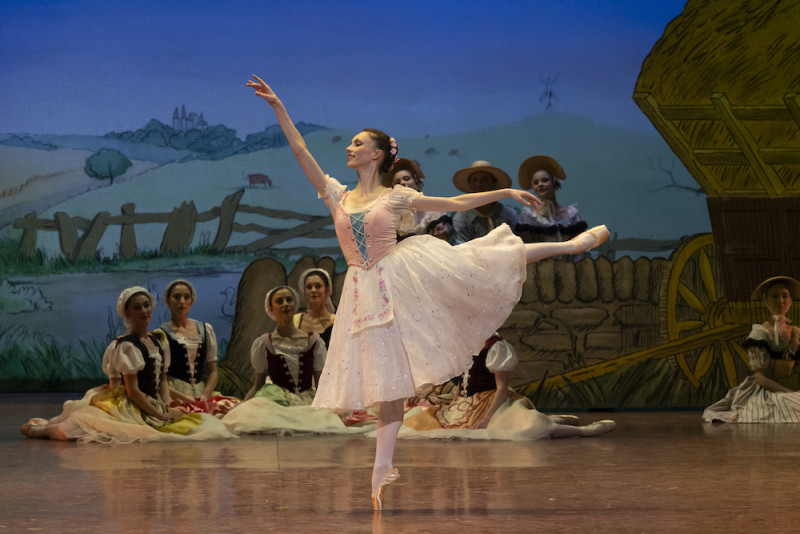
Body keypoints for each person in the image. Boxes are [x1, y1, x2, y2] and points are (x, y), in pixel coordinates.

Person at [247, 74, 609, 510]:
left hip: (400, 276)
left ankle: (570, 244)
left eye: (358, 143)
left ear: (377, 154)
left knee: (481, 258)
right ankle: (382, 470)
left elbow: (454, 205)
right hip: (363, 293)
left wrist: (507, 190)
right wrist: (277, 106)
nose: (349, 148)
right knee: (389, 387)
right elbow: (301, 151)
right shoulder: (337, 196)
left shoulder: (396, 197)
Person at [20, 287, 234, 443]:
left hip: (152, 402)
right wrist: (160, 415)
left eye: (146, 305)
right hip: (132, 403)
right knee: (80, 429)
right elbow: (133, 392)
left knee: (201, 425)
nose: (144, 311)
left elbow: (161, 382)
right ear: (128, 312)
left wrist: (166, 404)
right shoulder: (126, 346)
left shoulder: (158, 341)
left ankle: (47, 424)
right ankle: (41, 430)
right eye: (137, 307)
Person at [400, 334, 615, 439]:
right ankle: (557, 419)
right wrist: (456, 400)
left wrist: (486, 417)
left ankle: (583, 431)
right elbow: (462, 381)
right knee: (424, 421)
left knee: (528, 427)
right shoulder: (465, 344)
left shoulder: (495, 346)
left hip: (488, 400)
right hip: (465, 404)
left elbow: (501, 387)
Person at [703, 276, 800, 423]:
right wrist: (788, 392)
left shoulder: (795, 333)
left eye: (784, 296)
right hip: (767, 389)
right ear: (766, 301)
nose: (780, 301)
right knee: (788, 405)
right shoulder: (760, 333)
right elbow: (761, 378)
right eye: (774, 296)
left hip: (790, 385)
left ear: (790, 300)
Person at [156, 279, 239, 416]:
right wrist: (183, 398)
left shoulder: (205, 329)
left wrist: (205, 395)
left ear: (192, 300)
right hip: (173, 392)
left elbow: (213, 371)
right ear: (167, 300)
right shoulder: (161, 334)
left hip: (202, 392)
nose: (182, 301)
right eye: (176, 297)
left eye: (186, 297)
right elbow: (160, 378)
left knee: (231, 410)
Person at [243, 286, 326, 405]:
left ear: (295, 304)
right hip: (277, 403)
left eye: (289, 299)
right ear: (271, 308)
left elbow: (320, 383)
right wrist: (240, 407)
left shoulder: (314, 342)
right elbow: (258, 385)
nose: (285, 304)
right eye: (279, 301)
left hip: (308, 402)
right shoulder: (264, 344)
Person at [516, 155, 589, 261]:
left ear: (554, 182)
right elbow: (525, 250)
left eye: (544, 180)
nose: (540, 184)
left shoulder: (571, 215)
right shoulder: (528, 218)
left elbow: (582, 247)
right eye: (536, 182)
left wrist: (573, 268)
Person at [451, 160, 519, 244]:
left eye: (485, 180)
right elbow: (461, 250)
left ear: (494, 183)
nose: (479, 184)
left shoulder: (508, 214)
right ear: (470, 185)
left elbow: (515, 246)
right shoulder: (462, 218)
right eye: (475, 180)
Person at [381, 158, 447, 239]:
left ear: (416, 181)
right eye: (397, 183)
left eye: (406, 179)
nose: (402, 183)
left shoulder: (433, 209)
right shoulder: (390, 213)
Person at [294, 268, 336, 347]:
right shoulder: (295, 320)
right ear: (304, 291)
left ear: (327, 290)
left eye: (318, 286)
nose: (313, 290)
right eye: (309, 287)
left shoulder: (338, 322)